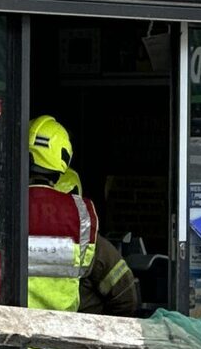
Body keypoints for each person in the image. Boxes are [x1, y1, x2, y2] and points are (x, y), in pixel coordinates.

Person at [26, 114, 141, 316]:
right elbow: (125, 293)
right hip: (63, 343)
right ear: (63, 159)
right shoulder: (79, 216)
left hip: (3, 343)